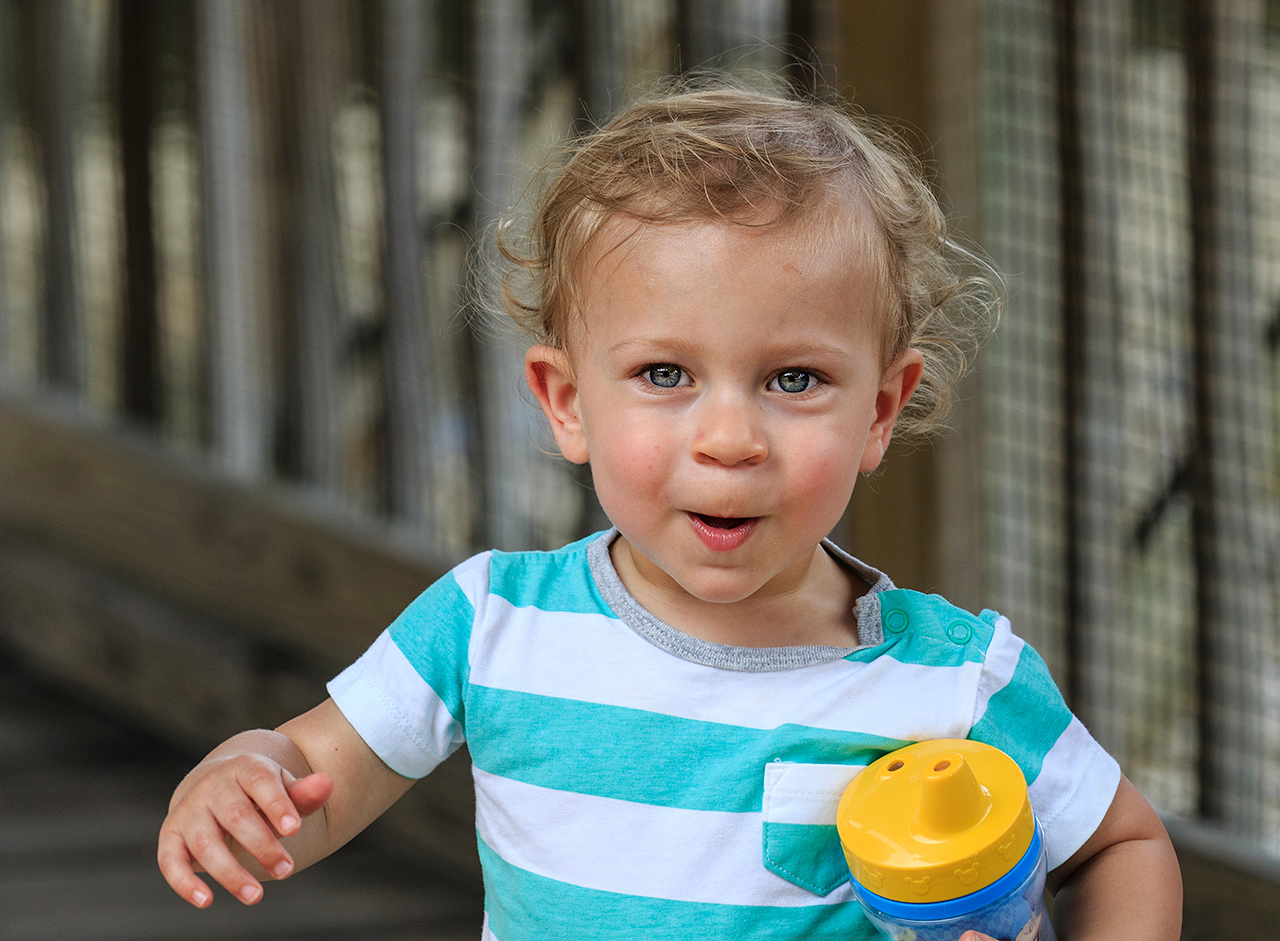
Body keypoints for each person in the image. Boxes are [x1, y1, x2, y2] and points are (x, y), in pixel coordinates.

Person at [158, 82, 1182, 940]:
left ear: (878, 409)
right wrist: (244, 770)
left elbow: (1119, 846)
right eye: (663, 372)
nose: (728, 437)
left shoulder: (953, 679)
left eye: (791, 379)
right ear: (566, 402)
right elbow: (309, 773)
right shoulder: (489, 625)